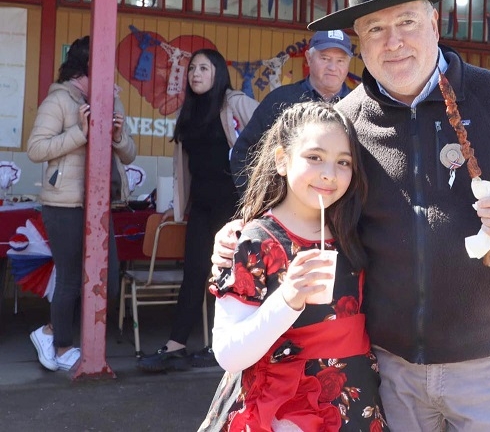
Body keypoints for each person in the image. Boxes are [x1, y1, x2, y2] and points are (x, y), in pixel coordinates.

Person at [213, 0, 490, 430]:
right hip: (389, 365)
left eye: (406, 22)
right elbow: (308, 202)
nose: (393, 42)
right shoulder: (345, 120)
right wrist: (242, 236)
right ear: (359, 43)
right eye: (375, 29)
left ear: (433, 22)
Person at [199, 101, 388, 431]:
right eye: (314, 157)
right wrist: (287, 300)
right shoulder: (255, 240)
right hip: (281, 410)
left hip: (354, 400)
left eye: (343, 162)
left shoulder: (354, 234)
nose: (329, 172)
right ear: (282, 160)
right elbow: (228, 354)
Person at [137, 49, 258, 373]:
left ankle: (228, 346)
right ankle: (176, 346)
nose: (196, 74)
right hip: (202, 205)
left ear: (218, 72)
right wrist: (178, 203)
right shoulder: (189, 111)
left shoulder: (236, 103)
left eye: (204, 68)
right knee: (194, 273)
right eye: (192, 69)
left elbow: (270, 138)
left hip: (236, 206)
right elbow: (184, 168)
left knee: (235, 277)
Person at [27, 35, 137, 372]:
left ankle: (47, 331)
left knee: (111, 278)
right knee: (72, 279)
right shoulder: (59, 100)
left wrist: (118, 136)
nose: (111, 77)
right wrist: (82, 132)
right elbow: (36, 149)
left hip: (100, 203)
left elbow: (130, 152)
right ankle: (61, 345)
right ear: (85, 69)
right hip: (64, 203)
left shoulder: (107, 99)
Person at [230, 30, 354, 194]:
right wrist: (258, 202)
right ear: (309, 58)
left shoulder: (357, 105)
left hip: (342, 213)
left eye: (340, 61)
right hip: (285, 211)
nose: (333, 67)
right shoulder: (281, 99)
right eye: (325, 58)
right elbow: (243, 152)